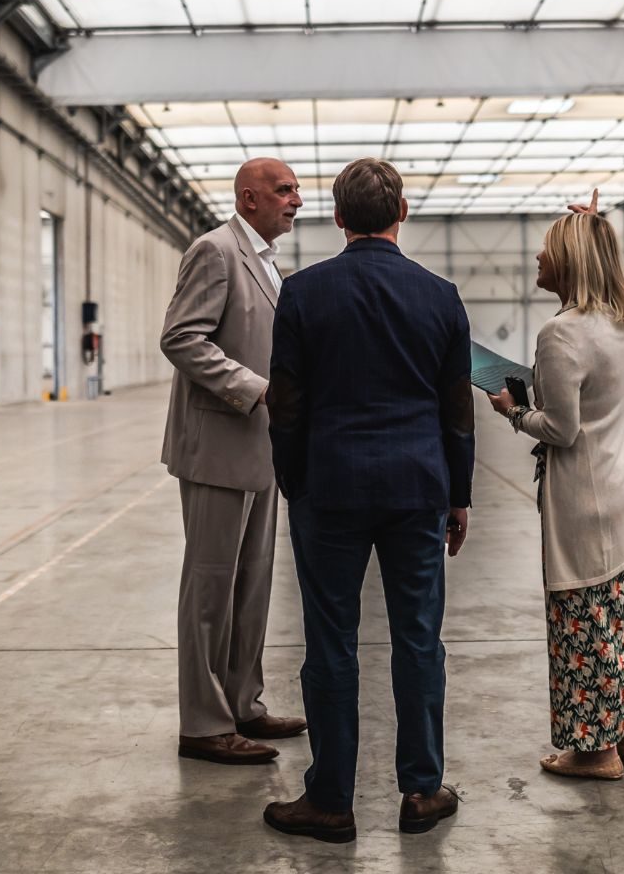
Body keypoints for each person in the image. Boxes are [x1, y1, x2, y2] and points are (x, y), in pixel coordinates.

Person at [262, 158, 474, 844]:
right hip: (417, 487)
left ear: (338, 218)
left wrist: (296, 479)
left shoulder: (303, 293)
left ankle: (330, 799)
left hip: (330, 487)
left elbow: (286, 406)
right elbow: (455, 411)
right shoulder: (441, 296)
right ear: (402, 214)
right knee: (418, 638)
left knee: (331, 643)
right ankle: (420, 789)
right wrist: (460, 494)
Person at [486, 191, 624, 781]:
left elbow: (560, 428)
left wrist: (511, 408)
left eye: (548, 250)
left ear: (570, 263)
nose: (538, 256)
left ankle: (594, 752)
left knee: (581, 622)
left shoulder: (562, 332)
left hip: (585, 500)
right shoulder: (621, 322)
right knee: (618, 620)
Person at [159, 157, 308, 765]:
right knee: (210, 590)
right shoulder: (215, 251)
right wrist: (256, 388)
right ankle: (202, 722)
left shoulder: (268, 264)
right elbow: (181, 337)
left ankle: (243, 703)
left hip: (260, 448)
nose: (296, 199)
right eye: (284, 190)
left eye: (296, 189)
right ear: (249, 199)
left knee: (250, 589)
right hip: (219, 446)